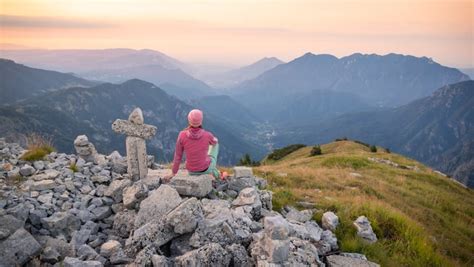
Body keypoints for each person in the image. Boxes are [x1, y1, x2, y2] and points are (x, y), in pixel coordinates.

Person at [163, 109, 226, 183]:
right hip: (205, 169)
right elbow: (215, 142)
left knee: (205, 154)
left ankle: (216, 172)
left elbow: (178, 156)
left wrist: (173, 173)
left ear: (189, 121)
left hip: (191, 171)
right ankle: (218, 175)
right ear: (201, 121)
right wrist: (214, 139)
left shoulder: (182, 135)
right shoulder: (207, 135)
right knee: (215, 145)